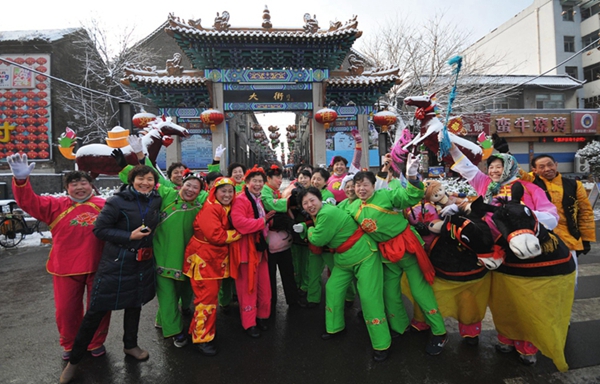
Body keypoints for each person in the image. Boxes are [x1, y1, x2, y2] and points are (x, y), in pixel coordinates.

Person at [447, 142, 560, 365]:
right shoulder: (485, 184)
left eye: (499, 166)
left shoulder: (529, 188)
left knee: (524, 301)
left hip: (522, 253)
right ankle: (505, 337)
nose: (494, 171)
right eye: (491, 167)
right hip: (491, 252)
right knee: (501, 300)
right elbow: (466, 167)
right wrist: (450, 145)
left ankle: (527, 344)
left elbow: (552, 216)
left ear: (509, 166)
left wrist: (522, 216)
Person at [60, 165, 162, 384]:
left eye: (150, 180)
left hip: (141, 263)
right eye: (141, 179)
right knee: (95, 311)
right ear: (132, 180)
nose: (145, 183)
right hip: (116, 263)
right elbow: (100, 229)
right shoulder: (116, 201)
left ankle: (131, 345)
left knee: (135, 305)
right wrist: (129, 236)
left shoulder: (155, 200)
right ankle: (73, 362)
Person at [8, 154, 110, 361]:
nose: (80, 187)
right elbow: (29, 202)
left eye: (84, 183)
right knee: (66, 310)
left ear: (92, 186)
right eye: (74, 184)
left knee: (99, 309)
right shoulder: (54, 206)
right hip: (65, 268)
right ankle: (70, 344)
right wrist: (21, 182)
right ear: (67, 188)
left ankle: (95, 342)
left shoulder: (105, 205)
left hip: (99, 266)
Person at [347, 156, 449, 356]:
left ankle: (440, 332)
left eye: (365, 185)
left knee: (421, 292)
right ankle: (400, 327)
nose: (361, 189)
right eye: (357, 185)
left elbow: (409, 196)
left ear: (373, 185)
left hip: (407, 248)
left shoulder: (387, 196)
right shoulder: (351, 207)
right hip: (387, 254)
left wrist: (411, 175)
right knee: (390, 293)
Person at [117, 137, 209, 347]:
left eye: (196, 187)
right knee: (167, 297)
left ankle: (167, 316)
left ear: (201, 190)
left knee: (186, 291)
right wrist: (140, 156)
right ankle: (174, 331)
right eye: (188, 185)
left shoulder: (203, 201)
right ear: (181, 184)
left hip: (189, 257)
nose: (191, 190)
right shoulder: (167, 193)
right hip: (164, 256)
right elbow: (150, 177)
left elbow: (224, 195)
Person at [295, 187, 391, 361]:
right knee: (332, 288)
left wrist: (308, 231)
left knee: (369, 297)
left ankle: (381, 344)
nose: (310, 205)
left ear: (319, 198)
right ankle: (335, 327)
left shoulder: (326, 213)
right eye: (305, 203)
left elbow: (318, 239)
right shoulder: (320, 213)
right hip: (343, 259)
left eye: (312, 200)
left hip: (365, 255)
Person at [183, 177, 241, 356]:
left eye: (230, 191)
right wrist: (240, 232)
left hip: (212, 261)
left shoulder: (222, 207)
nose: (227, 194)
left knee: (208, 299)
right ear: (214, 192)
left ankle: (199, 331)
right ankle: (202, 339)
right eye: (223, 191)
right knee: (206, 301)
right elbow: (216, 236)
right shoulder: (211, 208)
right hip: (204, 261)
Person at [520, 154, 595, 263]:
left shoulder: (574, 185)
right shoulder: (531, 182)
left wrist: (586, 239)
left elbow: (585, 213)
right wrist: (506, 153)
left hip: (569, 239)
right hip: (542, 239)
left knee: (570, 276)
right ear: (534, 170)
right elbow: (517, 172)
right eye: (542, 167)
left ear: (556, 164)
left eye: (550, 165)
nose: (547, 169)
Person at [229, 165, 276, 337]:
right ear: (247, 182)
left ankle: (262, 316)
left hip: (259, 249)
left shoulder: (258, 199)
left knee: (264, 285)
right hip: (246, 250)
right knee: (248, 288)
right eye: (254, 181)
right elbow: (238, 223)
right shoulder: (242, 199)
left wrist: (267, 221)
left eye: (260, 181)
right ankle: (249, 323)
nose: (257, 184)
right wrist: (263, 222)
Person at [261, 164, 299, 313]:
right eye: (277, 177)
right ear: (268, 178)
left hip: (280, 240)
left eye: (280, 177)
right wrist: (289, 202)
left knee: (287, 271)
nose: (279, 180)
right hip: (270, 240)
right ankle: (272, 303)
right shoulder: (265, 191)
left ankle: (291, 300)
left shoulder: (274, 191)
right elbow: (269, 204)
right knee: (271, 275)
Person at [326, 130, 362, 203]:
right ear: (332, 167)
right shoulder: (327, 179)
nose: (339, 166)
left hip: (350, 204)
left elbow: (356, 160)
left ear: (345, 167)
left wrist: (358, 143)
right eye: (337, 164)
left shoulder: (350, 176)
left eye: (342, 164)